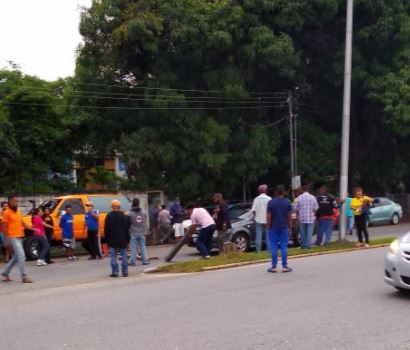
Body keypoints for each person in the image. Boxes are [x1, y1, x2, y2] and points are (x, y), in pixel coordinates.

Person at [1, 195, 37, 283]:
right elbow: (4, 227)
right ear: (9, 202)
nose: (16, 203)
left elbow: (23, 223)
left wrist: (32, 228)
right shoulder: (6, 213)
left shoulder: (18, 212)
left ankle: (5, 272)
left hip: (20, 236)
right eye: (14, 201)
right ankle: (24, 277)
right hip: (12, 237)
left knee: (16, 257)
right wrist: (6, 240)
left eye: (17, 201)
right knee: (21, 256)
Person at [267, 185, 293, 273]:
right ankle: (285, 266)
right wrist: (290, 228)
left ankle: (274, 266)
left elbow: (269, 217)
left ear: (275, 192)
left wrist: (268, 226)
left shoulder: (271, 202)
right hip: (284, 227)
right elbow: (289, 217)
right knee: (283, 246)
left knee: (273, 246)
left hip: (273, 227)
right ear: (284, 192)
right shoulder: (287, 202)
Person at [104, 200, 130, 277]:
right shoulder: (123, 215)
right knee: (124, 256)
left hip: (112, 240)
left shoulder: (109, 216)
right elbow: (126, 229)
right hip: (122, 240)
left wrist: (106, 240)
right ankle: (125, 272)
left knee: (113, 256)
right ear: (119, 206)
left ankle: (115, 272)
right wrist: (128, 240)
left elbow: (106, 229)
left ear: (112, 207)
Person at [296, 185, 319, 249]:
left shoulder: (299, 197)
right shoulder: (312, 197)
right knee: (309, 232)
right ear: (308, 190)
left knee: (302, 232)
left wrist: (298, 217)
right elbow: (316, 208)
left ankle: (303, 245)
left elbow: (297, 209)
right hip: (310, 217)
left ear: (302, 190)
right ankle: (308, 245)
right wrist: (314, 215)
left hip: (302, 217)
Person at [128, 198, 149, 266]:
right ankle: (145, 260)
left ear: (132, 204)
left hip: (133, 232)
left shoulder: (130, 213)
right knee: (142, 246)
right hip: (142, 231)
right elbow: (145, 220)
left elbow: (128, 223)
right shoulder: (143, 212)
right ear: (139, 204)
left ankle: (132, 261)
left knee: (133, 247)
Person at [252, 185, 272, 253]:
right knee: (268, 236)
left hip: (258, 219)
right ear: (265, 191)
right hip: (267, 219)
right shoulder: (269, 199)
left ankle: (258, 251)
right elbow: (271, 210)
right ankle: (269, 250)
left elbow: (253, 210)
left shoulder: (256, 199)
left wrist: (255, 217)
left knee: (258, 236)